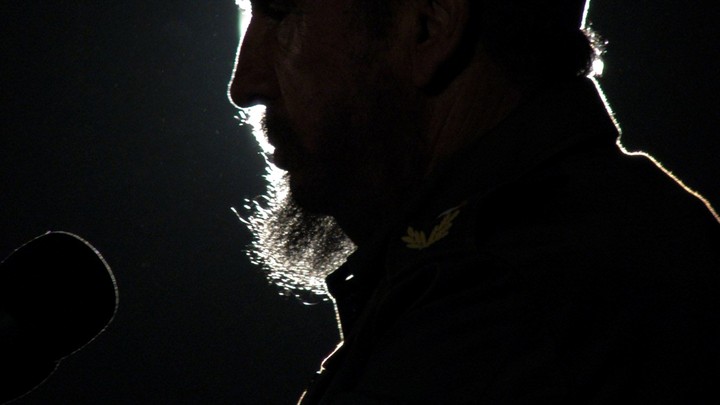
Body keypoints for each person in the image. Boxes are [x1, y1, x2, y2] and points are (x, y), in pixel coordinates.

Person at [229, 0, 720, 403]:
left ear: (429, 28)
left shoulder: (510, 302)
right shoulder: (622, 226)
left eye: (280, 12)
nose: (244, 83)